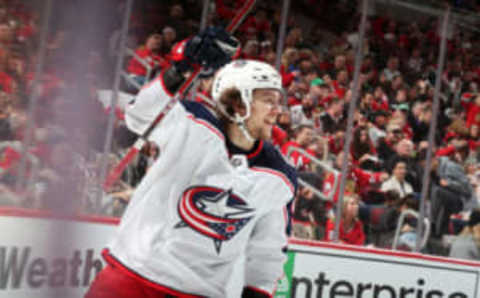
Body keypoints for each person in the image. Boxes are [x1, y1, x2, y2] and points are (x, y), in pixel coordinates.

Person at [86, 27, 297, 298]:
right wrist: (182, 66)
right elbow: (139, 116)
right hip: (132, 276)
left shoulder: (279, 174)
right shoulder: (192, 122)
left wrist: (256, 292)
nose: (277, 111)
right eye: (268, 101)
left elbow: (268, 250)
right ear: (238, 102)